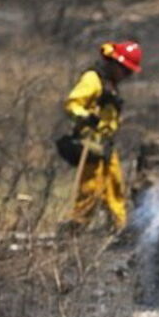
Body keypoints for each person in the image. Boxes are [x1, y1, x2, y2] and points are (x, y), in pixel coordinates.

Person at [63, 40, 142, 232]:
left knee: (115, 189)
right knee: (90, 190)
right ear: (115, 63)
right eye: (125, 70)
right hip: (90, 143)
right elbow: (72, 104)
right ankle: (74, 232)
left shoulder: (110, 84)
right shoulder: (93, 79)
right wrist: (87, 117)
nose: (126, 75)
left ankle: (118, 230)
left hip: (106, 145)